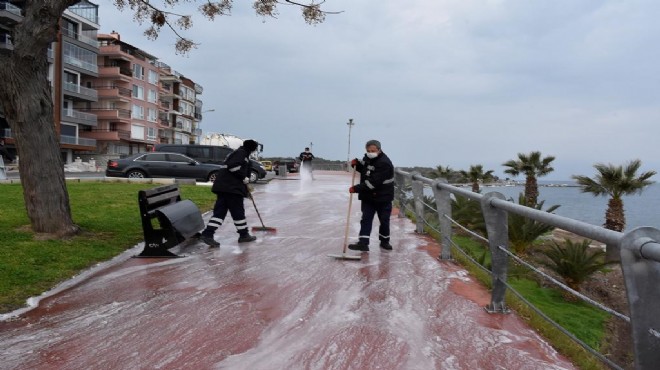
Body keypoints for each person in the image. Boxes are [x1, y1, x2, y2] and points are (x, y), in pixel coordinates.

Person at [199, 139, 260, 247]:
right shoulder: (241, 153)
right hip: (231, 189)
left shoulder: (240, 153)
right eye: (255, 148)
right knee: (238, 212)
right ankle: (243, 235)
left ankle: (208, 234)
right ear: (252, 148)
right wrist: (243, 177)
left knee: (220, 213)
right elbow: (233, 166)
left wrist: (246, 191)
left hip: (225, 188)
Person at [348, 139, 395, 252]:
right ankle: (363, 243)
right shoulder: (368, 158)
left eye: (373, 150)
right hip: (369, 197)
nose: (370, 152)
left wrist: (356, 188)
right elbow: (366, 171)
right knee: (366, 219)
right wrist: (357, 164)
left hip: (383, 197)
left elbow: (373, 182)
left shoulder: (384, 163)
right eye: (368, 150)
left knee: (384, 220)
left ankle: (384, 241)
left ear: (379, 150)